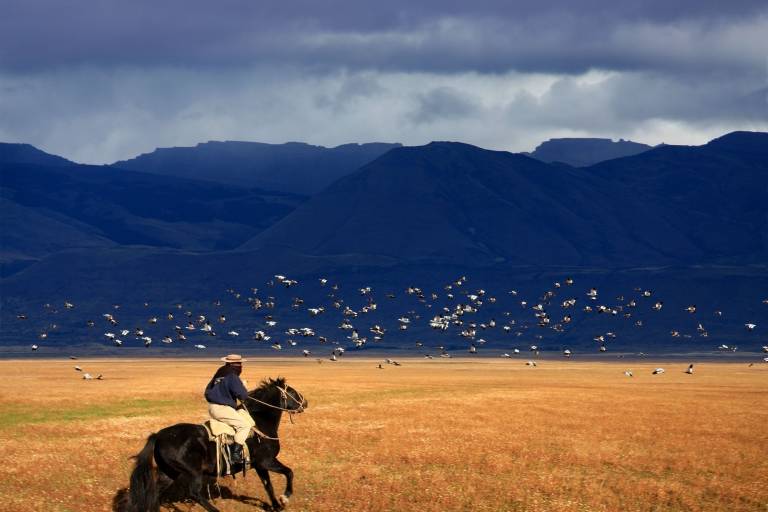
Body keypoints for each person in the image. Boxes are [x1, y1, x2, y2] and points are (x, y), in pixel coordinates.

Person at [204, 354, 256, 464]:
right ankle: (235, 454)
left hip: (213, 407)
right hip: (223, 409)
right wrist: (243, 387)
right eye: (240, 364)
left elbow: (208, 391)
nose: (241, 366)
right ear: (236, 365)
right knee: (244, 426)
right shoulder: (232, 376)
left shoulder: (219, 373)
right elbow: (242, 395)